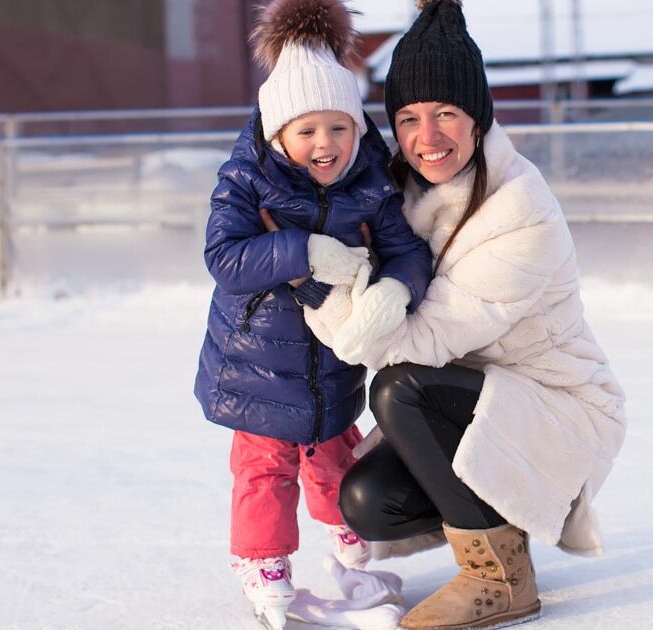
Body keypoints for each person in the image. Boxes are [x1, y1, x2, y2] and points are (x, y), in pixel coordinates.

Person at [295, 1, 628, 628]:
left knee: (399, 387)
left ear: (479, 117)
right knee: (368, 501)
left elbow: (420, 339)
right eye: (410, 118)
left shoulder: (519, 210)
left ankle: (498, 578)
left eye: (447, 113)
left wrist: (319, 291)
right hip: (471, 400)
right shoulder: (399, 189)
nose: (429, 137)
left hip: (556, 402)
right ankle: (499, 523)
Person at [192, 1, 432, 628]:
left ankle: (348, 545)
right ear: (277, 134)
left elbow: (407, 249)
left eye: (339, 128)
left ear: (357, 128)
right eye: (306, 131)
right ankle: (264, 565)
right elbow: (224, 257)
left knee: (333, 452)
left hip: (332, 354)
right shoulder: (246, 180)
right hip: (256, 362)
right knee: (264, 463)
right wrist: (302, 249)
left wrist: (398, 289)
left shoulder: (372, 182)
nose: (324, 144)